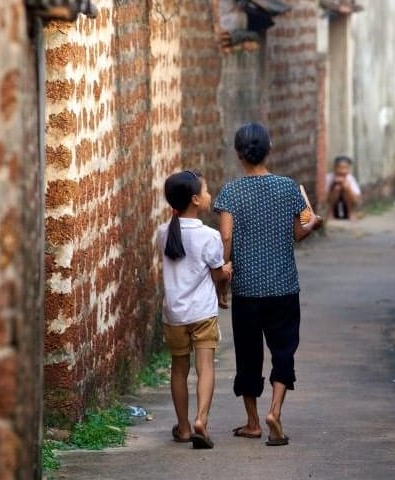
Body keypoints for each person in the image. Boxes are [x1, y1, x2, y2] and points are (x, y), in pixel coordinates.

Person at [214, 122, 321, 447]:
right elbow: (301, 230)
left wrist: (223, 277)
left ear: (238, 154)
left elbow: (226, 236)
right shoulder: (289, 188)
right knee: (283, 350)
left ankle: (253, 422)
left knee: (248, 355)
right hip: (284, 286)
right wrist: (313, 223)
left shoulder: (230, 192)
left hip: (247, 288)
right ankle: (275, 411)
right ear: (269, 149)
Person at [157, 170, 233, 450]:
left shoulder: (163, 233)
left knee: (179, 369)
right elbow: (217, 276)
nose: (210, 195)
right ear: (195, 200)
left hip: (174, 314)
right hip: (202, 313)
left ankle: (185, 428)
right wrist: (226, 271)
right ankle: (202, 419)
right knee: (205, 367)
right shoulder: (209, 236)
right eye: (206, 191)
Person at [325, 155, 362, 219]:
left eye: (345, 168)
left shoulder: (350, 178)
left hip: (347, 206)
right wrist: (333, 185)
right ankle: (330, 213)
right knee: (337, 188)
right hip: (333, 206)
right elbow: (324, 196)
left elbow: (358, 198)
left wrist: (348, 189)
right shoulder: (329, 177)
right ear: (335, 168)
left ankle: (351, 213)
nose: (342, 171)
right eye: (340, 168)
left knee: (346, 187)